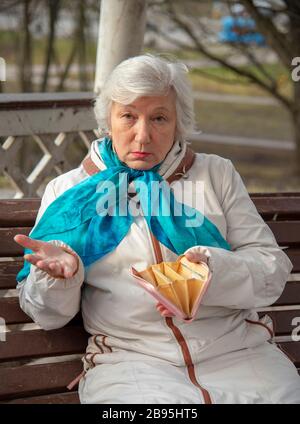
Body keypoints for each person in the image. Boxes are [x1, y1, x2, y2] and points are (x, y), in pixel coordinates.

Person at [14, 55, 300, 404]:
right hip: (132, 364)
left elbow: (271, 268)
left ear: (179, 123)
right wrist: (60, 279)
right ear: (109, 120)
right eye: (129, 116)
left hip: (241, 354)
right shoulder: (67, 191)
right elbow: (46, 315)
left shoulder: (216, 174)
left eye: (159, 118)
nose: (143, 135)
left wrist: (211, 274)